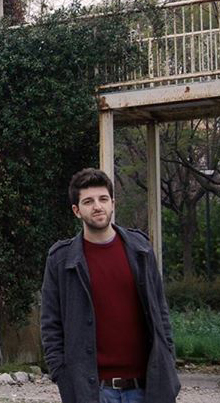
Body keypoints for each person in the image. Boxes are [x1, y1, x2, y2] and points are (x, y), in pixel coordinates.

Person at [40, 168, 180, 403]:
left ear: (113, 203)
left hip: (146, 389)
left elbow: (161, 313)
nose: (97, 206)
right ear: (76, 210)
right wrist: (62, 376)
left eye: (103, 199)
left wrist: (167, 360)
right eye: (88, 201)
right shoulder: (61, 260)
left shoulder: (140, 249)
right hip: (94, 392)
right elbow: (50, 325)